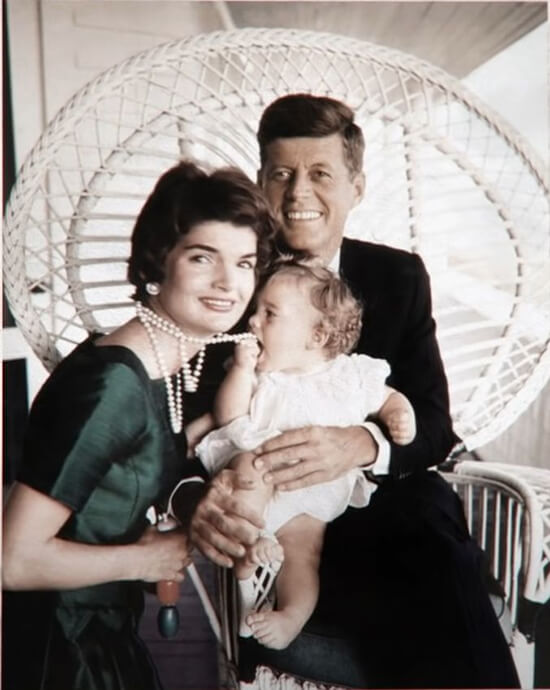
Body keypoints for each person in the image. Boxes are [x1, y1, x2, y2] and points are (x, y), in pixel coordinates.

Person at [176, 95, 520, 688]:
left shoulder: (398, 276)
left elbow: (434, 423)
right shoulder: (232, 279)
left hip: (379, 504)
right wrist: (190, 500)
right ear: (261, 183)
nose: (298, 193)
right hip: (273, 511)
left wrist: (362, 443)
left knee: (430, 527)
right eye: (281, 174)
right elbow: (173, 426)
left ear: (356, 187)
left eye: (321, 174)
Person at [1, 160, 279, 690]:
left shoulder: (159, 369)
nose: (229, 283)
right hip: (60, 649)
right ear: (158, 262)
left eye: (244, 263)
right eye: (203, 257)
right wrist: (144, 559)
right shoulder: (110, 385)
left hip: (103, 630)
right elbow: (11, 560)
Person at [191, 258, 415, 650]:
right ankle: (248, 546)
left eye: (270, 314)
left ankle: (291, 615)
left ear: (316, 335)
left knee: (304, 553)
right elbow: (229, 417)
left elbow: (388, 398)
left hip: (314, 491)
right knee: (247, 469)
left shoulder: (351, 375)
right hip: (261, 476)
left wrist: (399, 416)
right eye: (256, 310)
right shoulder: (261, 374)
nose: (253, 321)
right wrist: (241, 371)